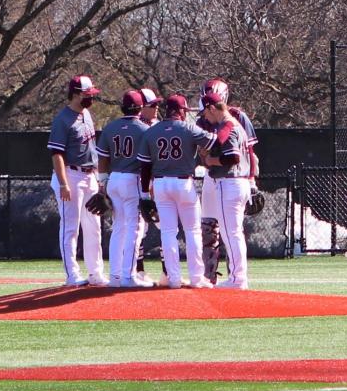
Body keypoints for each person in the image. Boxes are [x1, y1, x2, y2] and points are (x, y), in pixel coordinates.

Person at [138, 94, 217, 288]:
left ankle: (173, 279)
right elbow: (215, 141)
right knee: (192, 231)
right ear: (180, 111)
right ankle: (197, 278)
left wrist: (145, 194)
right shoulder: (188, 128)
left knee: (168, 232)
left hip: (161, 184)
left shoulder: (151, 131)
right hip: (184, 183)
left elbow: (145, 166)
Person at [196, 78, 259, 284]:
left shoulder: (235, 119)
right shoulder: (213, 119)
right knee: (210, 226)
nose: (204, 115)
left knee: (230, 231)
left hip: (230, 178)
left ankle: (237, 278)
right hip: (216, 176)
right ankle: (210, 274)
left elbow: (247, 153)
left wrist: (252, 182)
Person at [48, 74, 108, 287]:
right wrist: (64, 184)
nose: (91, 97)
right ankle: (71, 274)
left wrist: (98, 179)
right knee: (70, 227)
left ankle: (96, 273)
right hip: (70, 175)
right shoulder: (63, 119)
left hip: (88, 174)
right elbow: (57, 154)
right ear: (75, 94)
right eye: (87, 94)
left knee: (93, 226)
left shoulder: (87, 114)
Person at [97, 87, 160, 287]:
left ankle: (115, 276)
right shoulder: (145, 129)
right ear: (140, 107)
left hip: (114, 178)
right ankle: (129, 275)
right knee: (135, 229)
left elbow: (103, 158)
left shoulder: (110, 127)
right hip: (133, 179)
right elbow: (148, 162)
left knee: (118, 228)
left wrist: (103, 184)